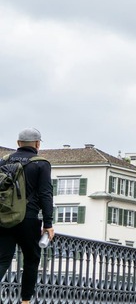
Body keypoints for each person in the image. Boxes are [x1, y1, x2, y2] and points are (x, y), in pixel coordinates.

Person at [0, 128, 54, 304]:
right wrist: (48, 223)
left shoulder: (4, 161)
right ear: (37, 144)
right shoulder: (41, 163)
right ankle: (25, 301)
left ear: (18, 144)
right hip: (28, 219)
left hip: (4, 218)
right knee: (31, 259)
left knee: (3, 259)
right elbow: (46, 194)